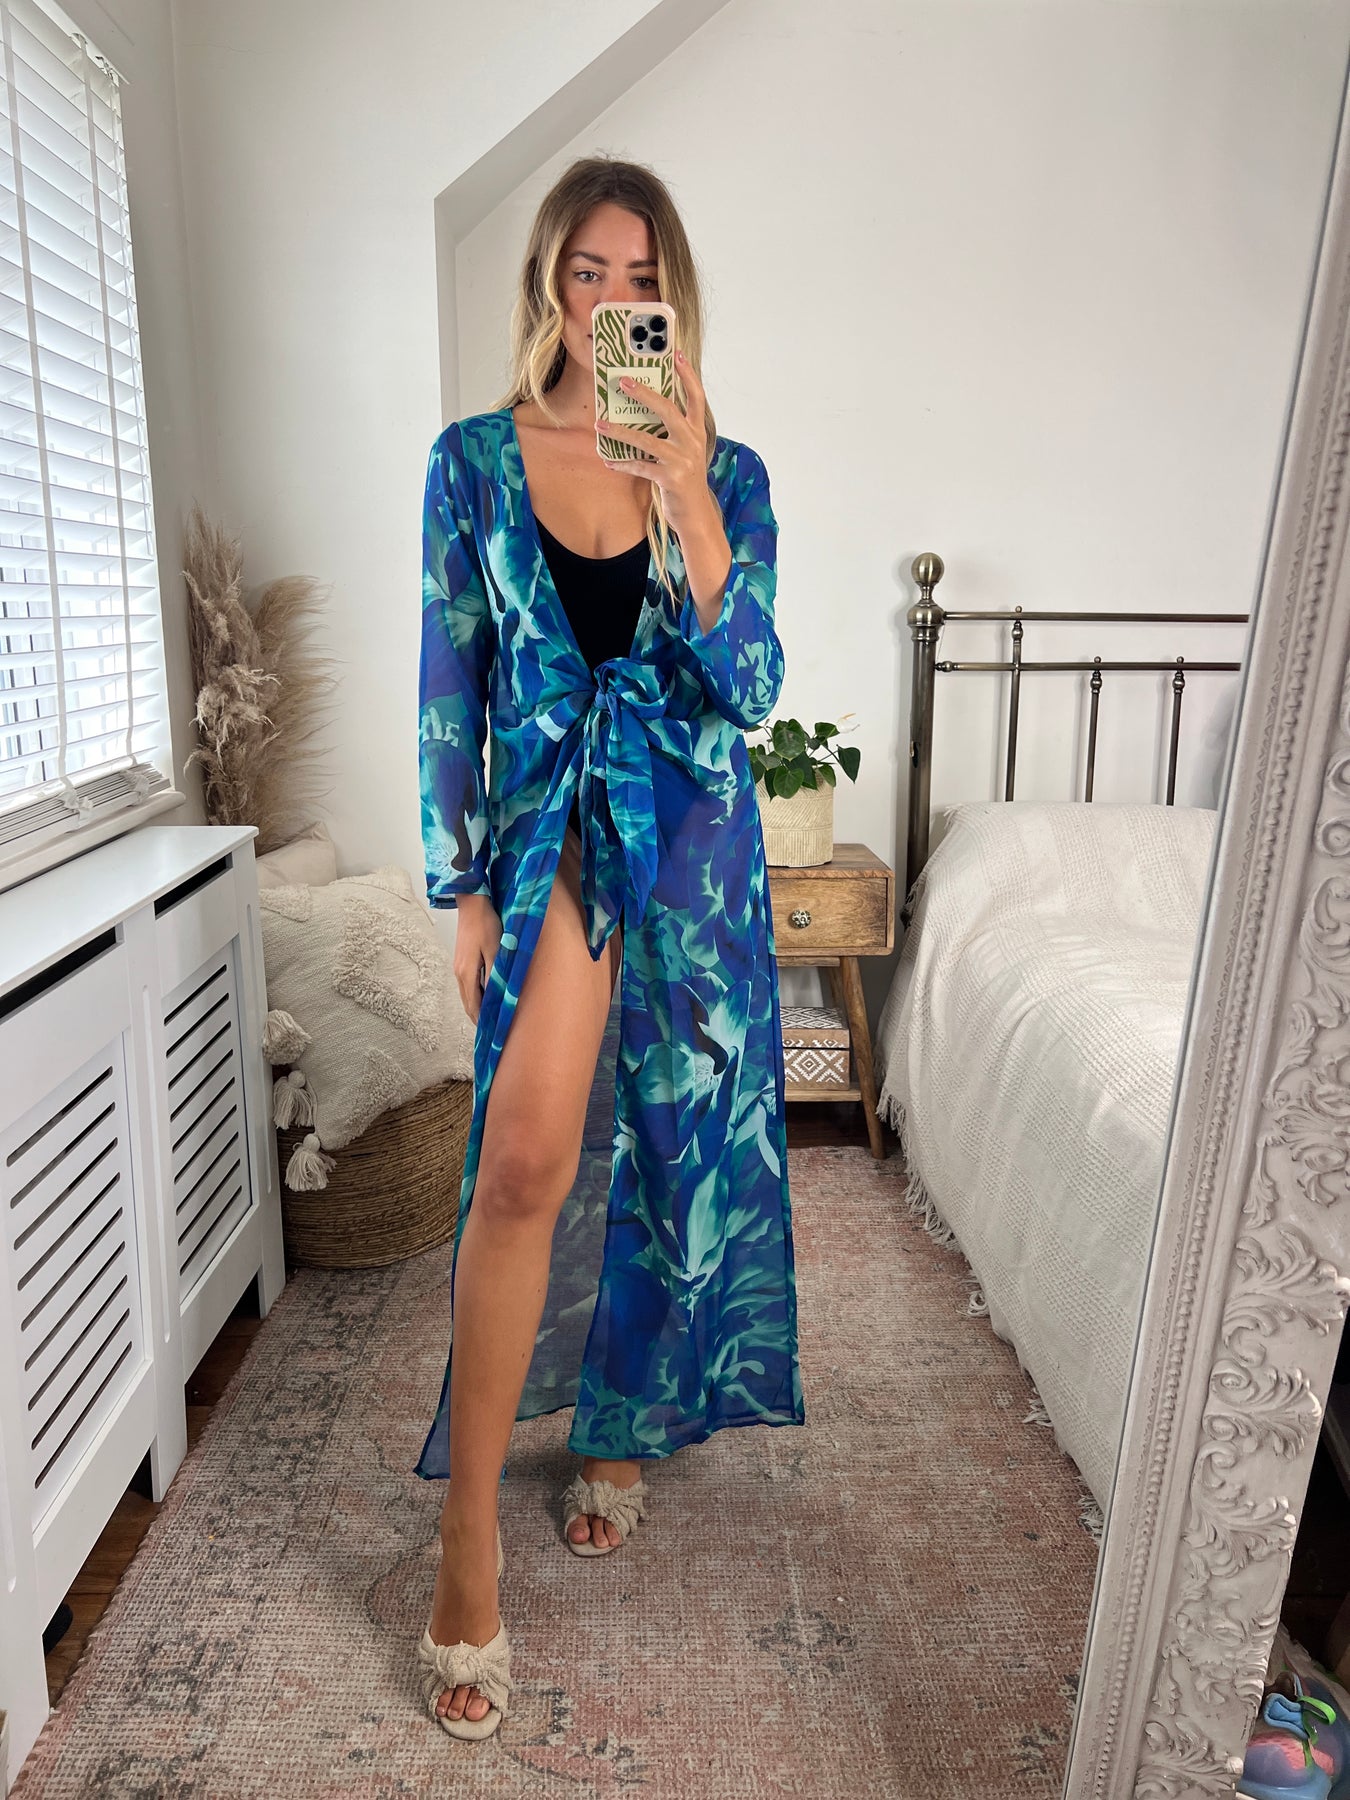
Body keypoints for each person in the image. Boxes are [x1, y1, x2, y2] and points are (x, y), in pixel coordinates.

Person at [414, 154, 804, 1742]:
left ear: (671, 299)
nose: (612, 300)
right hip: (548, 842)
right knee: (524, 1161)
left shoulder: (730, 472)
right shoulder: (471, 464)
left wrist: (687, 497)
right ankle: (465, 1535)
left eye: (641, 278)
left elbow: (749, 683)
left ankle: (616, 1425)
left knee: (662, 1148)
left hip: (691, 847)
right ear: (549, 286)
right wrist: (461, 889)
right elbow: (450, 681)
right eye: (588, 271)